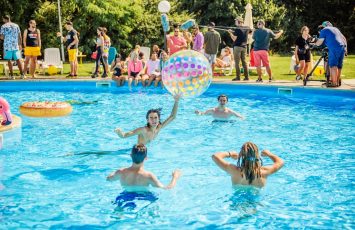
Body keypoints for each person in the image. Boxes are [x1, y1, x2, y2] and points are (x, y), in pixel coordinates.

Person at [107, 144, 182, 189]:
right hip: (144, 196)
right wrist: (175, 177)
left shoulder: (121, 172)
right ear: (146, 158)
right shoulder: (148, 176)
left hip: (125, 195)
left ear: (130, 156)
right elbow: (167, 188)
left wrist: (114, 172)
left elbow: (109, 179)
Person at [115, 94, 180, 145]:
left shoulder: (158, 128)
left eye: (155, 118)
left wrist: (176, 101)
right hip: (138, 153)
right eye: (151, 118)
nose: (153, 120)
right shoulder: (143, 130)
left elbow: (173, 116)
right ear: (147, 120)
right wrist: (119, 132)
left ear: (158, 119)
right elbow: (124, 136)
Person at [212, 142, 284, 188]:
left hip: (238, 203)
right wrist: (269, 154)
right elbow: (280, 162)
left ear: (242, 156)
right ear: (257, 156)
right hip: (256, 203)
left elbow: (215, 156)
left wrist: (230, 153)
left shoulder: (233, 170)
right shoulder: (264, 172)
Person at [315, 21, 347, 87]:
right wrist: (346, 49)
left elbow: (319, 43)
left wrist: (315, 43)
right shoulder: (336, 29)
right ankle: (337, 82)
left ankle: (334, 83)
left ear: (324, 26)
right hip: (343, 47)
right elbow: (344, 38)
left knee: (333, 66)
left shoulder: (324, 30)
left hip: (334, 47)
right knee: (339, 66)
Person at [228, 16, 253, 81]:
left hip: (237, 47)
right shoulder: (247, 28)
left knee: (237, 63)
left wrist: (230, 33)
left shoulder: (237, 29)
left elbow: (234, 39)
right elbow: (251, 32)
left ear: (239, 22)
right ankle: (247, 77)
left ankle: (238, 77)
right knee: (244, 62)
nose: (235, 22)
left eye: (236, 21)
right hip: (244, 47)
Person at [0, 15, 24, 79]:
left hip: (7, 45)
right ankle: (22, 74)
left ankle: (12, 75)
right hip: (15, 45)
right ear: (9, 18)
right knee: (18, 59)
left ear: (5, 19)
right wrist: (20, 44)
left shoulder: (3, 26)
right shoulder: (16, 25)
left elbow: (2, 37)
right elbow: (19, 36)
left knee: (9, 60)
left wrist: (6, 37)